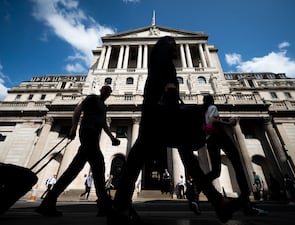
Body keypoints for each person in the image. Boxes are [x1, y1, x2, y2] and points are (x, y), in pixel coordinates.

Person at [108, 36, 243, 225]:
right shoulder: (166, 62)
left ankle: (120, 206)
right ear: (166, 46)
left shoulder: (153, 64)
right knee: (183, 154)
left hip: (151, 114)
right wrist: (174, 102)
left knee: (142, 159)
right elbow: (170, 87)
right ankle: (217, 200)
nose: (176, 48)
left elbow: (154, 90)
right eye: (173, 44)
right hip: (164, 115)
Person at [36, 85, 120, 217]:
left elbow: (103, 123)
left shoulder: (104, 107)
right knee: (96, 168)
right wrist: (73, 128)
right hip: (87, 134)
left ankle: (48, 202)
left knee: (81, 169)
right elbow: (78, 110)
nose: (107, 93)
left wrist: (111, 138)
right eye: (105, 90)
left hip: (94, 137)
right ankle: (104, 205)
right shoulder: (92, 98)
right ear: (101, 91)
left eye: (109, 92)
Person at [200, 94, 265, 215]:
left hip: (209, 139)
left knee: (215, 171)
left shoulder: (202, 111)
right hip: (219, 135)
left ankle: (196, 187)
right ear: (212, 101)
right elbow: (212, 121)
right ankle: (246, 200)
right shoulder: (212, 107)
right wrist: (229, 123)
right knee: (238, 164)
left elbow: (206, 124)